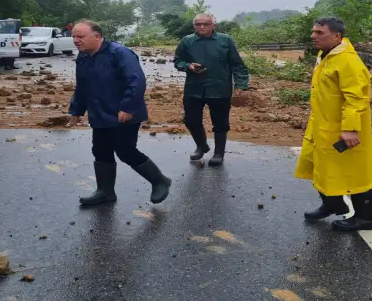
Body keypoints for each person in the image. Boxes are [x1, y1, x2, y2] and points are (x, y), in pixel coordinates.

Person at [67, 20, 172, 205]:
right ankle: (105, 192)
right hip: (99, 113)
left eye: (80, 36)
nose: (76, 40)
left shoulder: (119, 53)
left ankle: (160, 181)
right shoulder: (83, 57)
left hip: (123, 114)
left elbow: (136, 81)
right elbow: (82, 86)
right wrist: (76, 110)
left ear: (97, 36)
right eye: (74, 36)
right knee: (100, 151)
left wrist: (128, 107)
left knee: (125, 151)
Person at [294, 17, 372, 232]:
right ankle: (333, 204)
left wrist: (350, 128)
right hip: (322, 124)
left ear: (337, 36)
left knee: (354, 173)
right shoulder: (328, 55)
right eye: (313, 32)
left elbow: (357, 98)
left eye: (319, 32)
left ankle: (366, 218)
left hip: (342, 128)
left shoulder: (347, 60)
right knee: (320, 166)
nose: (313, 36)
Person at [173, 13, 249, 166]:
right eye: (198, 24)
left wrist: (240, 84)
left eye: (206, 24)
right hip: (194, 88)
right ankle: (201, 146)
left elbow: (237, 64)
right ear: (194, 26)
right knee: (191, 120)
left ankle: (219, 153)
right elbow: (178, 60)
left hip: (220, 88)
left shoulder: (225, 40)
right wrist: (188, 66)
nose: (202, 27)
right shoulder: (187, 41)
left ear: (214, 25)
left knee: (220, 123)